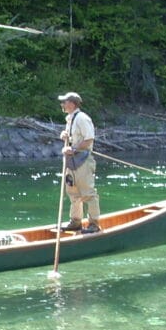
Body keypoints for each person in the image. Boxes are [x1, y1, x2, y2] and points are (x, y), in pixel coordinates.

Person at [57, 91, 100, 234]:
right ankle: (76, 222)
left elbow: (89, 140)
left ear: (72, 103)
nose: (62, 104)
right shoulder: (70, 119)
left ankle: (94, 224)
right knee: (73, 192)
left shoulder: (82, 118)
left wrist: (73, 148)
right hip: (72, 162)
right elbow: (74, 137)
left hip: (83, 160)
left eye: (64, 102)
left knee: (88, 192)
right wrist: (65, 135)